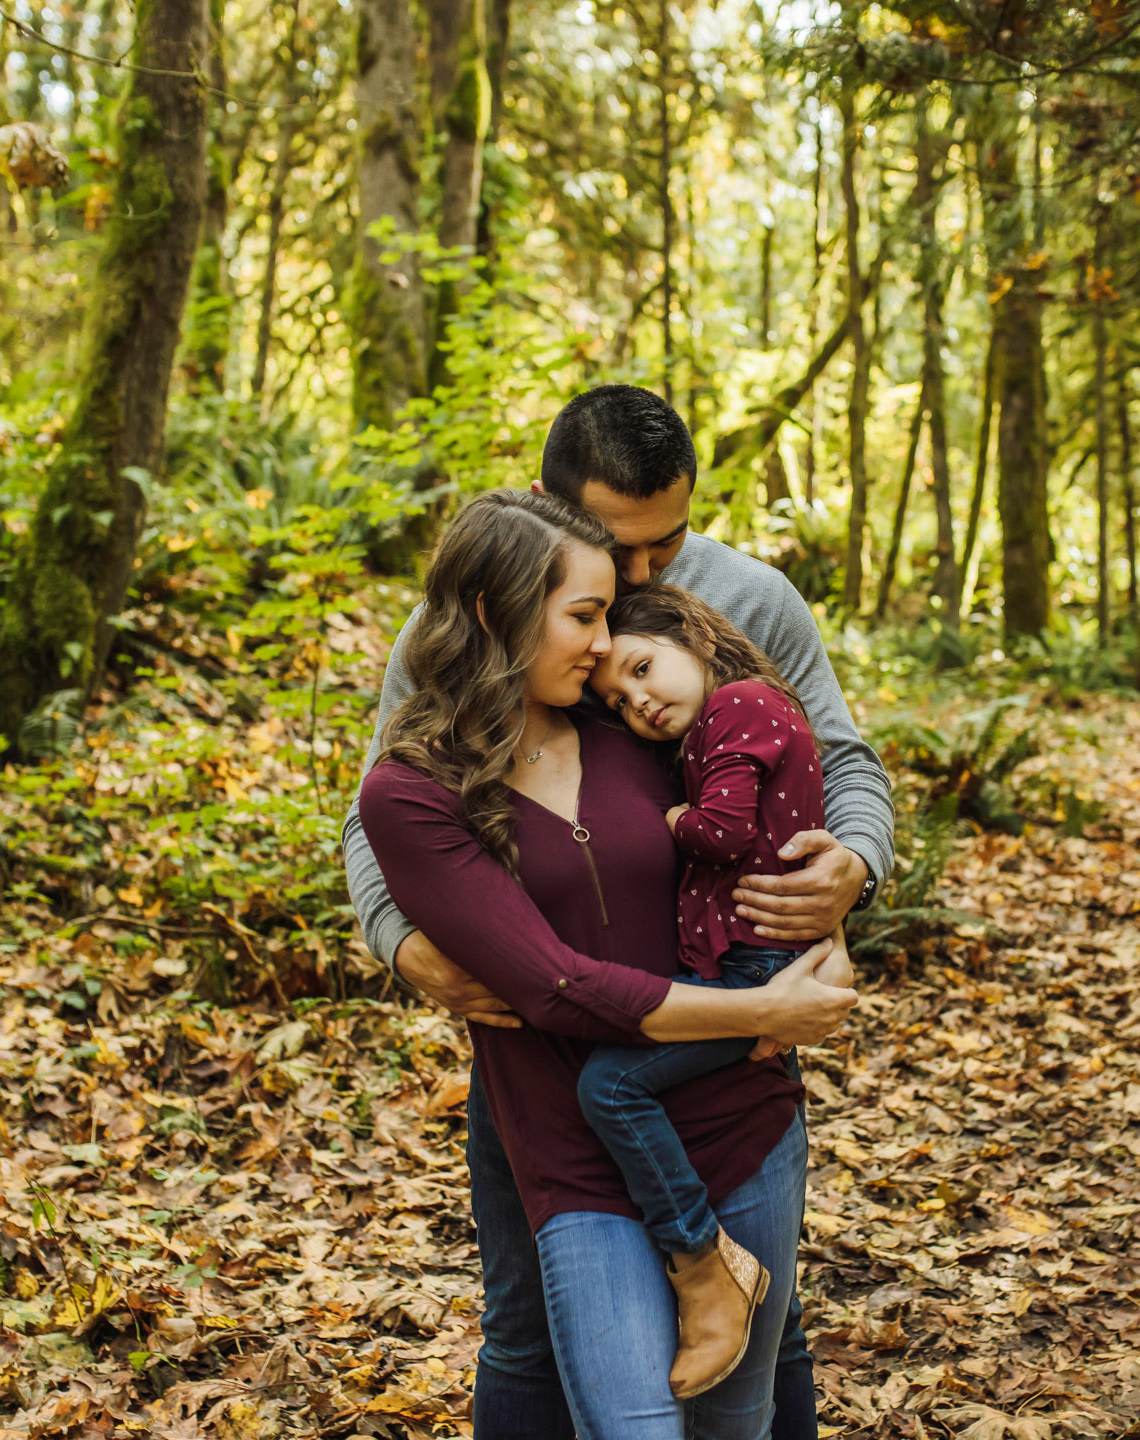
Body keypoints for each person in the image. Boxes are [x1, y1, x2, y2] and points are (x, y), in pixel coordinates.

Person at [343, 385, 894, 1438]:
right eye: (615, 552)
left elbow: (832, 756)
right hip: (542, 1057)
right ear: (554, 507)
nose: (643, 579)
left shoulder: (747, 597)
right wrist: (406, 944)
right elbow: (391, 804)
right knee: (526, 1329)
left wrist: (850, 870)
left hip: (716, 1031)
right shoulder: (470, 623)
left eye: (667, 542)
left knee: (769, 1335)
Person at [579, 583, 850, 1397]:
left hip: (756, 970)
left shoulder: (740, 705)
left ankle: (702, 1256)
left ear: (689, 636)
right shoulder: (718, 719)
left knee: (611, 1087)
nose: (641, 701)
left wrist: (662, 821)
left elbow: (723, 829)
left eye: (642, 669)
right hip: (740, 966)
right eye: (621, 701)